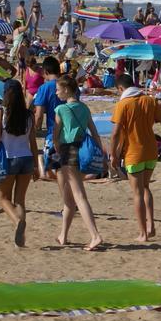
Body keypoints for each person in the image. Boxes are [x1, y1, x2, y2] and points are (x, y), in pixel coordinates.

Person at [110, 74, 161, 243]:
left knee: (137, 192)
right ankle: (151, 225)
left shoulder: (123, 104)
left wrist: (113, 155)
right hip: (151, 150)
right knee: (145, 188)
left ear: (121, 89)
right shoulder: (150, 101)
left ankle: (143, 233)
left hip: (133, 152)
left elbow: (115, 134)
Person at [52, 76, 104, 251]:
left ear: (67, 89)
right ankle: (63, 235)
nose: (56, 92)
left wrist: (57, 150)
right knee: (68, 198)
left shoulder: (61, 109)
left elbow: (55, 135)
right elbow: (95, 132)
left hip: (69, 151)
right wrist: (100, 152)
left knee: (79, 196)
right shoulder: (84, 107)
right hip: (84, 150)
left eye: (58, 89)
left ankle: (95, 235)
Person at [0, 80, 38, 248]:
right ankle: (22, 239)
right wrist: (35, 165)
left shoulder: (1, 111)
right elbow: (33, 142)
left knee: (4, 199)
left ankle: (17, 221)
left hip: (8, 158)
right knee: (20, 200)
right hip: (26, 159)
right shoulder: (28, 114)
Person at [30, 56, 64, 180]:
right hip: (73, 134)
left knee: (52, 171)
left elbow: (38, 115)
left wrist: (35, 129)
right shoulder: (70, 85)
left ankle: (41, 164)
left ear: (46, 72)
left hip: (53, 134)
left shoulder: (44, 88)